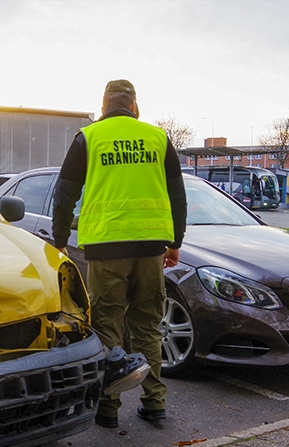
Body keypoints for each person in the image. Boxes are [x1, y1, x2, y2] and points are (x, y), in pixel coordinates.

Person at [51, 79, 187, 428]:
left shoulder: (89, 138)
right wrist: (175, 242)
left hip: (106, 248)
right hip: (150, 247)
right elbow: (177, 194)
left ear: (103, 105)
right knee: (147, 326)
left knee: (107, 325)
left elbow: (65, 192)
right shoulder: (158, 138)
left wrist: (60, 238)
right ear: (134, 105)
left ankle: (107, 408)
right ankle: (155, 403)